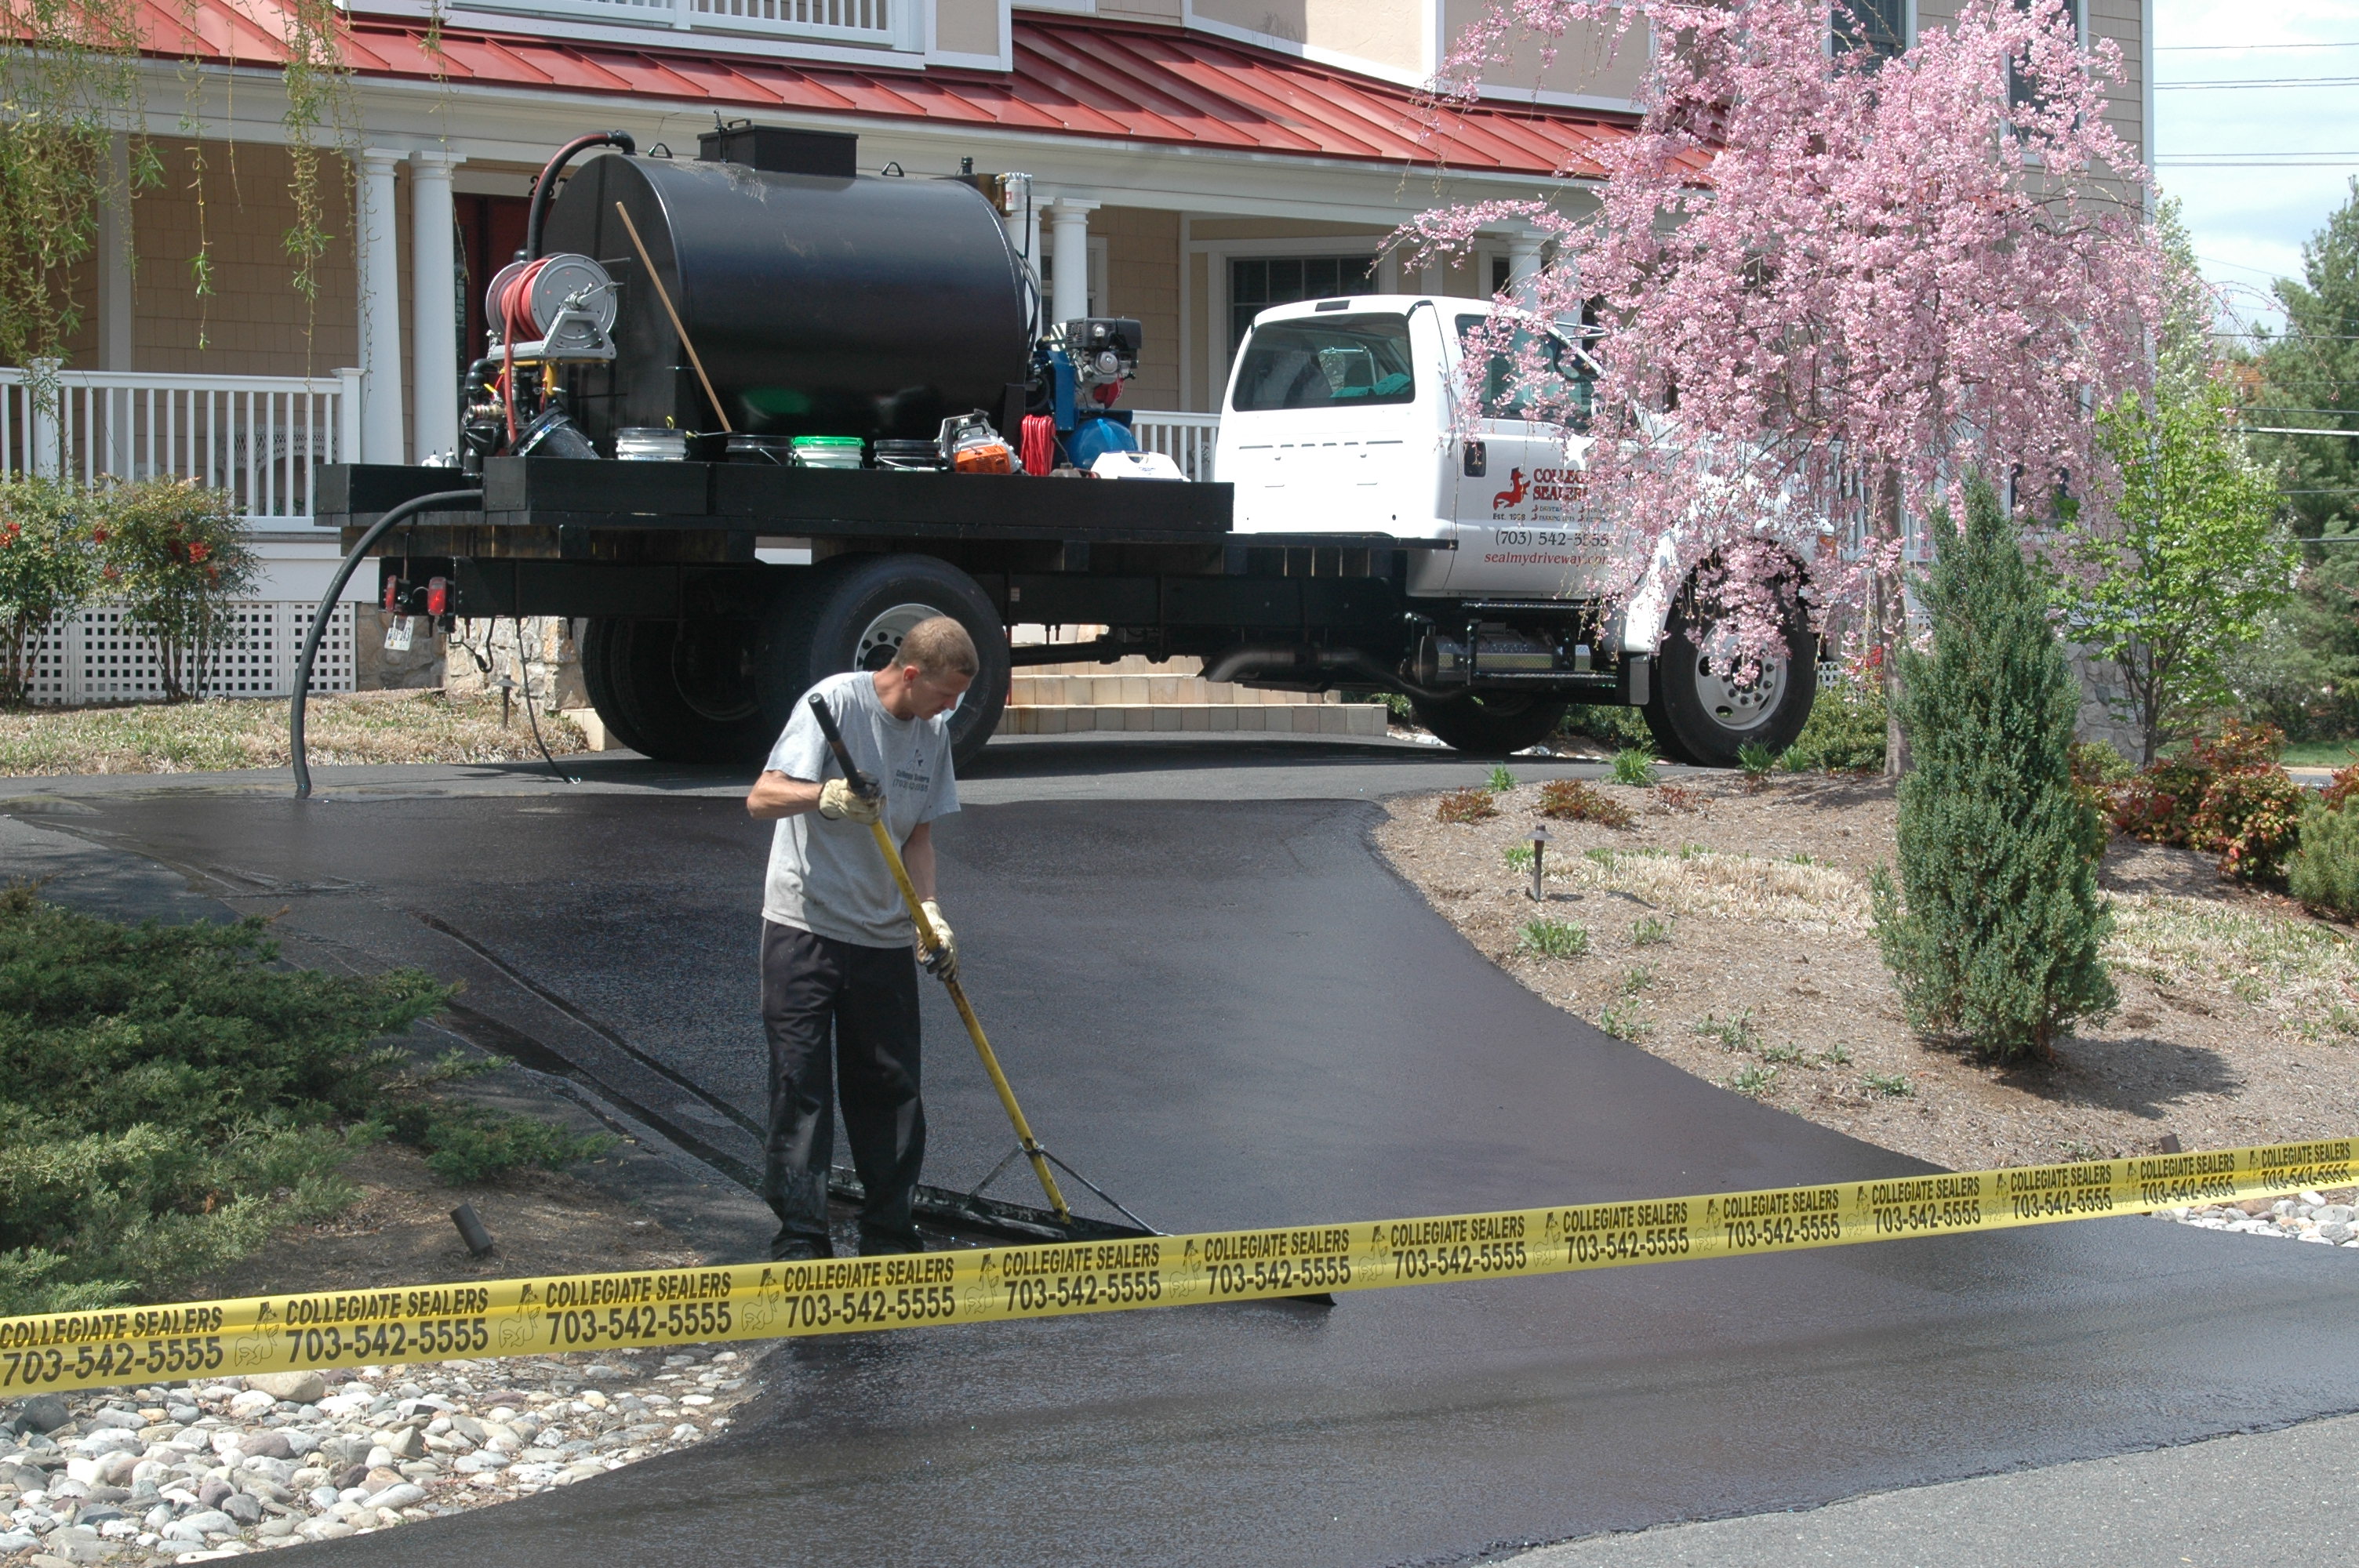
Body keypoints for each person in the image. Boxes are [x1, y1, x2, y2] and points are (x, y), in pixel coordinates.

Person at [744, 616, 976, 1261]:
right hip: (805, 927)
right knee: (801, 1086)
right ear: (909, 673)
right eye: (945, 693)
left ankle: (889, 1231)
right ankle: (800, 1234)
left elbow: (919, 836)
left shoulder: (933, 734)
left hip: (882, 936)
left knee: (891, 1090)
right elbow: (761, 798)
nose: (952, 707)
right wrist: (826, 796)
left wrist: (929, 912)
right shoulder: (834, 705)